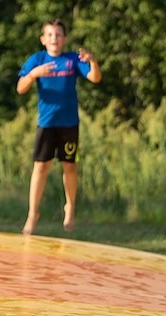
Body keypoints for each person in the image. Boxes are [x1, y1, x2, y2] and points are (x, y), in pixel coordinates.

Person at [17, 19, 102, 235]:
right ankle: (33, 214)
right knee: (41, 167)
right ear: (43, 39)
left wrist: (93, 61)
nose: (54, 38)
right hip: (46, 124)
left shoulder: (72, 59)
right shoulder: (37, 59)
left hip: (69, 124)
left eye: (58, 34)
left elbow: (95, 78)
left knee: (69, 166)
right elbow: (20, 88)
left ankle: (70, 207)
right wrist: (34, 74)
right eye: (50, 34)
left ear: (64, 38)